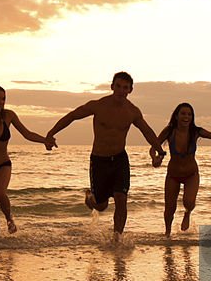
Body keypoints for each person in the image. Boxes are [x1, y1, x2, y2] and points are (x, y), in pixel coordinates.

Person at [46, 72, 164, 235]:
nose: (121, 91)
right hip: (99, 160)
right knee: (101, 206)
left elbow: (147, 132)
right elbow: (73, 115)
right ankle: (90, 197)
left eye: (125, 88)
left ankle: (117, 239)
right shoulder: (98, 105)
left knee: (121, 198)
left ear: (130, 90)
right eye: (118, 86)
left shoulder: (132, 111)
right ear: (112, 87)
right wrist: (51, 133)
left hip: (119, 159)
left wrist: (160, 151)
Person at [0, 84, 55, 233]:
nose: (0, 102)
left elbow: (27, 134)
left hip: (3, 163)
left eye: (3, 99)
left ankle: (9, 219)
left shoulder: (9, 116)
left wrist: (45, 140)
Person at [154, 102, 211, 237]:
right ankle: (167, 235)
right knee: (169, 209)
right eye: (183, 114)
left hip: (191, 174)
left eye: (189, 114)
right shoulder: (169, 131)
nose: (186, 117)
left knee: (189, 202)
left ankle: (187, 213)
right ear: (176, 116)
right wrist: (155, 157)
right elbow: (154, 145)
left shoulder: (196, 132)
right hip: (173, 175)